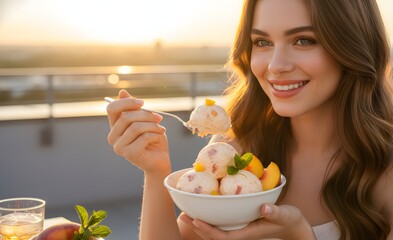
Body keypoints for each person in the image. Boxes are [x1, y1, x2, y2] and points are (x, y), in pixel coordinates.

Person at [105, 0, 393, 239]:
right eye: (263, 41)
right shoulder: (237, 147)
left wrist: (301, 236)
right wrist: (156, 172)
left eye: (304, 40)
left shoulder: (384, 166)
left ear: (353, 46)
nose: (275, 66)